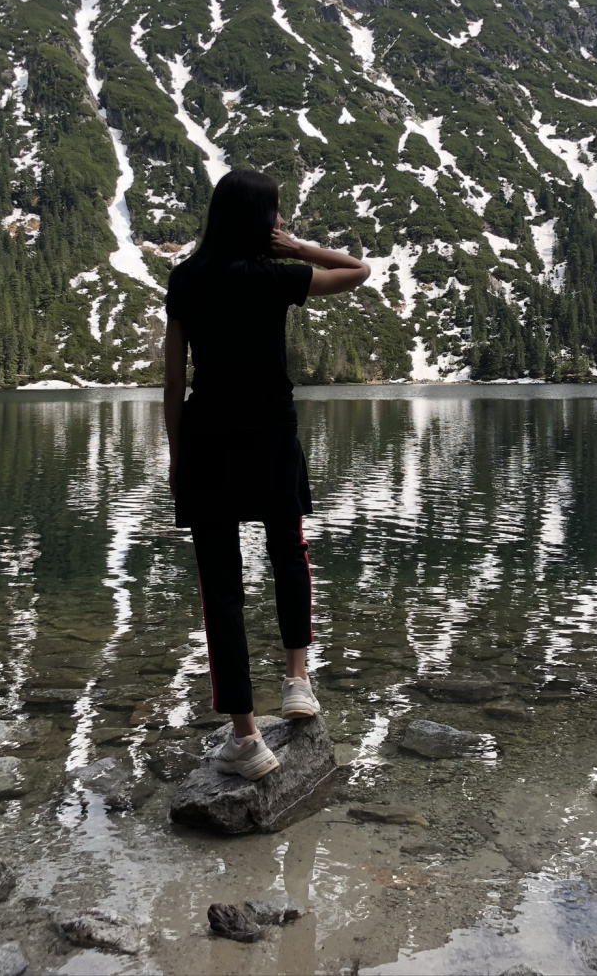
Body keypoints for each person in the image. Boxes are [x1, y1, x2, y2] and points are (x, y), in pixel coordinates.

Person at [163, 168, 371, 780]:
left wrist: (177, 455)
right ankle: (297, 681)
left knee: (219, 589)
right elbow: (358, 271)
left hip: (207, 438)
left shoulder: (186, 278)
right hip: (272, 433)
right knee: (288, 551)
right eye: (276, 214)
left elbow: (175, 379)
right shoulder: (272, 277)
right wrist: (297, 246)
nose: (280, 223)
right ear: (261, 221)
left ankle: (246, 738)